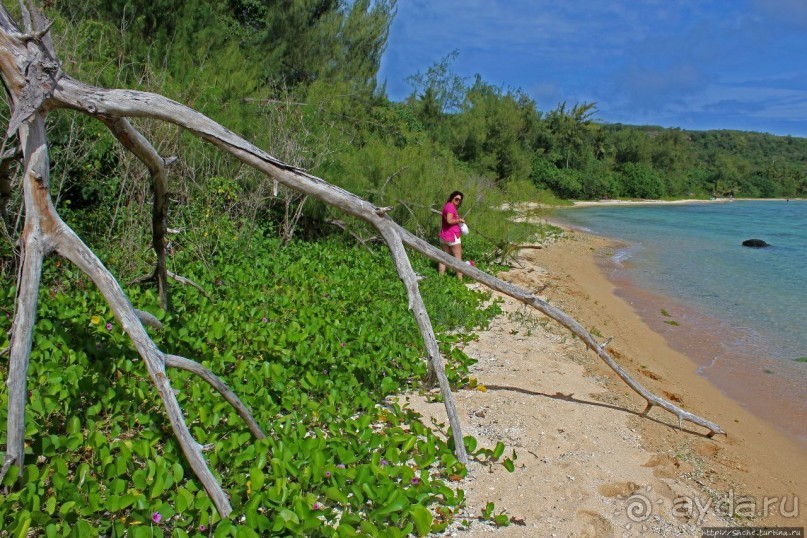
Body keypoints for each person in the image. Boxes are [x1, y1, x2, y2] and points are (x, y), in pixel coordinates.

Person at [438, 190, 466, 279]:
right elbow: (449, 221)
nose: (458, 201)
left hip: (444, 235)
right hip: (452, 236)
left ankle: (440, 278)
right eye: (456, 199)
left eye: (460, 200)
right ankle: (460, 282)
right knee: (458, 259)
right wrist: (459, 220)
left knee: (444, 258)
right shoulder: (450, 207)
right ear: (452, 197)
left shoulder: (447, 206)